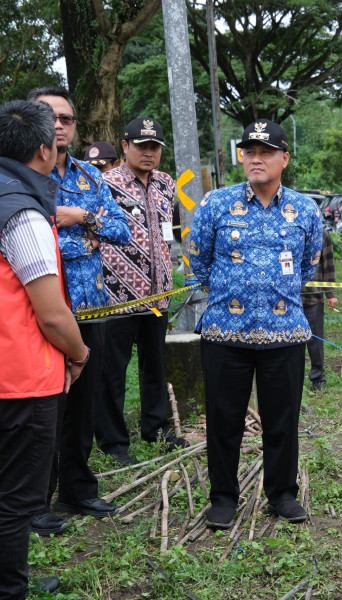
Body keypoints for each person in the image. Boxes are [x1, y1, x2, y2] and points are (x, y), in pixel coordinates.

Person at [190, 118, 322, 529]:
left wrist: (273, 295)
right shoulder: (216, 203)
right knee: (223, 420)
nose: (256, 159)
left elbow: (308, 265)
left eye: (266, 152)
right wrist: (232, 292)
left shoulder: (306, 209)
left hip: (284, 334)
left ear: (284, 157)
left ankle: (282, 495)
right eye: (250, 152)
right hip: (225, 333)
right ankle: (223, 498)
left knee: (282, 421)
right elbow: (198, 257)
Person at [27, 86, 131, 534]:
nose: (60, 124)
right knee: (40, 413)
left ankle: (77, 489)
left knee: (84, 405)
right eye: (50, 116)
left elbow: (122, 230)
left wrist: (82, 217)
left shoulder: (91, 177)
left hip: (89, 310)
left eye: (67, 117)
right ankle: (32, 502)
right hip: (38, 315)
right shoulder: (18, 175)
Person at [0, 99, 90, 599]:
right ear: (43, 149)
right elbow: (53, 314)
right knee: (15, 500)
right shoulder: (25, 215)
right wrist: (78, 354)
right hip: (20, 380)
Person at [97, 117, 188, 466]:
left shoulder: (166, 183)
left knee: (155, 367)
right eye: (141, 146)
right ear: (125, 146)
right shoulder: (104, 183)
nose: (149, 153)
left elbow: (169, 232)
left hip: (157, 296)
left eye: (155, 147)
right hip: (117, 298)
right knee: (112, 373)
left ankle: (157, 429)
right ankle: (113, 442)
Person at [301, 230, 338, 392]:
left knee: (315, 340)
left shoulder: (322, 234)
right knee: (290, 342)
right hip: (287, 298)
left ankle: (317, 378)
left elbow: (328, 264)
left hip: (313, 297)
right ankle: (293, 376)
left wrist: (331, 293)